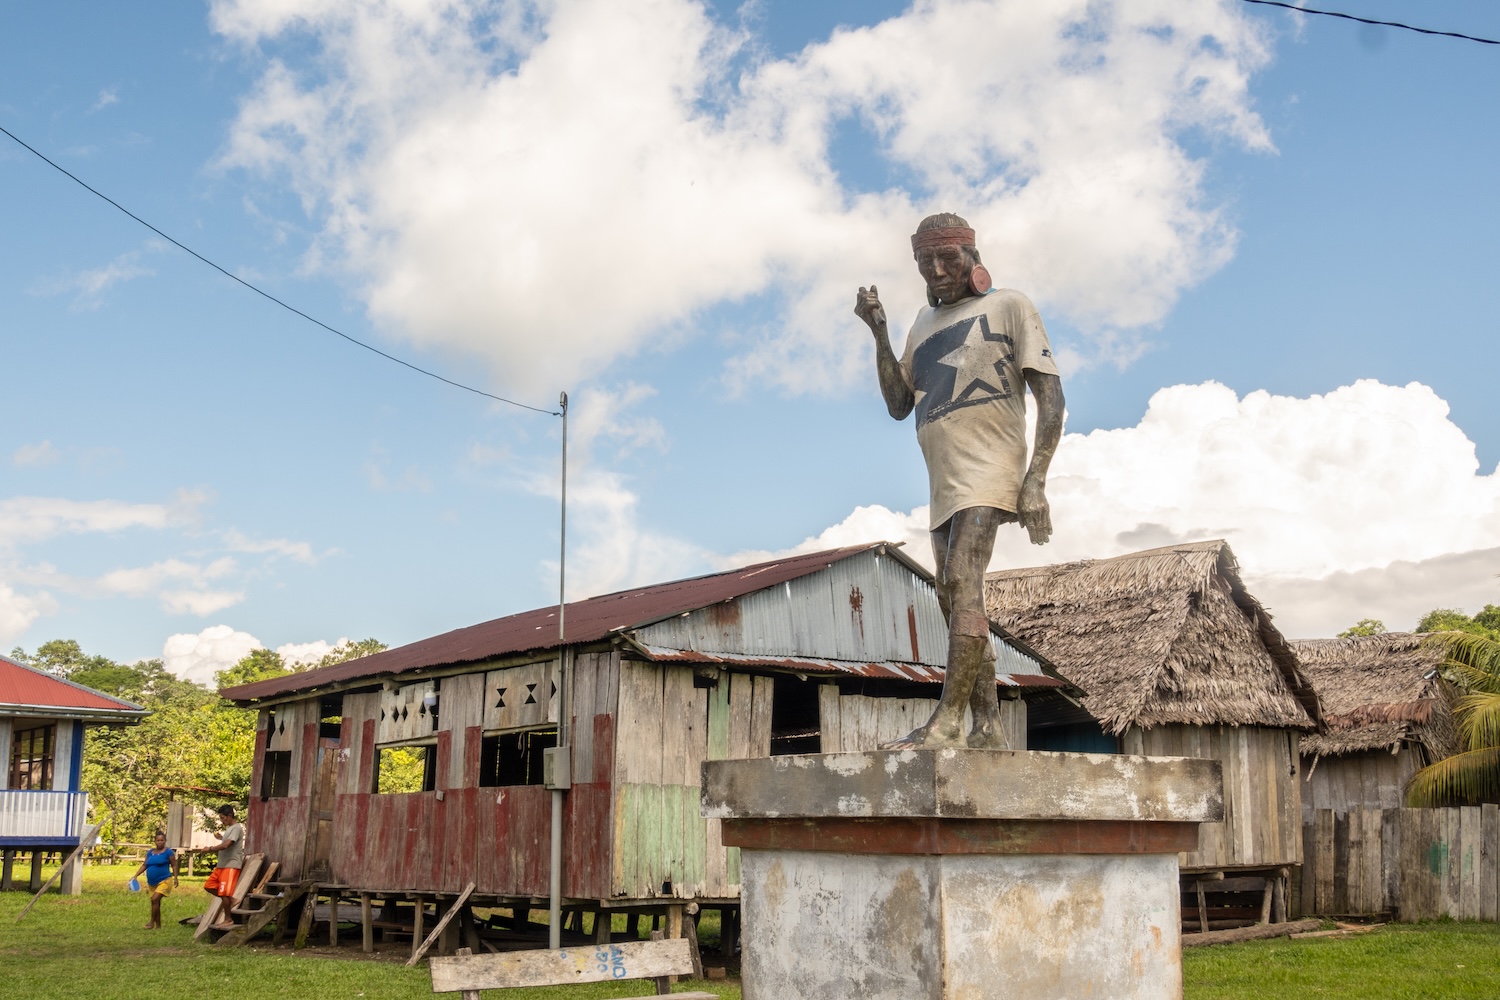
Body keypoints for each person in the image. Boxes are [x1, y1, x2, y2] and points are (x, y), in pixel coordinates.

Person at [854, 212, 1065, 750]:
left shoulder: (1009, 305)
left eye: (949, 258)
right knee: (953, 597)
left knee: (962, 581)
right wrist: (878, 331)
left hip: (991, 469)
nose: (939, 270)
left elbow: (1052, 397)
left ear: (973, 257)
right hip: (944, 483)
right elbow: (899, 404)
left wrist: (1035, 479)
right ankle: (989, 727)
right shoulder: (921, 327)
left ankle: (946, 722)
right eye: (927, 262)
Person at [199, 803, 245, 930]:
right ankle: (232, 899)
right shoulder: (229, 829)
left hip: (231, 864)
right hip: (222, 865)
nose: (222, 821)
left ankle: (228, 919)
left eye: (223, 818)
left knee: (224, 892)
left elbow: (226, 845)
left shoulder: (236, 828)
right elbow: (225, 841)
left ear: (230, 815)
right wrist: (221, 837)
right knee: (209, 886)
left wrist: (210, 848)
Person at [128, 829, 179, 929]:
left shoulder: (168, 852)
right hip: (152, 883)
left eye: (162, 840)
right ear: (155, 841)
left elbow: (174, 865)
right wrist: (136, 875)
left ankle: (151, 922)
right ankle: (158, 925)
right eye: (158, 840)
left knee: (154, 899)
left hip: (165, 880)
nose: (160, 842)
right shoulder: (150, 852)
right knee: (156, 903)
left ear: (165, 841)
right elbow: (144, 865)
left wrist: (176, 878)